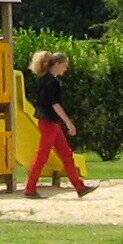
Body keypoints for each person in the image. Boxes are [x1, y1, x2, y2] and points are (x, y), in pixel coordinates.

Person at [23, 50, 98, 199]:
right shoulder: (52, 82)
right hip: (50, 122)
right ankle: (30, 189)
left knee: (66, 155)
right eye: (64, 65)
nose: (66, 68)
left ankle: (79, 187)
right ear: (57, 64)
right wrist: (69, 123)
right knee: (43, 155)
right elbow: (55, 105)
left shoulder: (43, 79)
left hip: (49, 122)